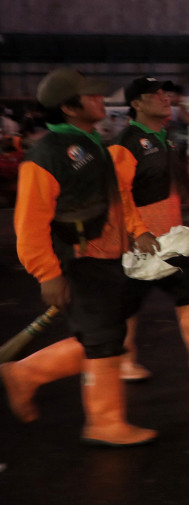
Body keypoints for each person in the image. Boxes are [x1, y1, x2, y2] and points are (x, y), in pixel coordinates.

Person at [1, 68, 157, 445]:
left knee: (103, 336)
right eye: (92, 96)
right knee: (103, 339)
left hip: (106, 257)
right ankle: (104, 422)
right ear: (69, 107)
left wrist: (137, 231)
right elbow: (29, 223)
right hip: (80, 259)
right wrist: (48, 274)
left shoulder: (90, 142)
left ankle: (24, 374)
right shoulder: (48, 154)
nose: (101, 100)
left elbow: (116, 198)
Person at [109, 77, 189, 381]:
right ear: (137, 104)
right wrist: (137, 231)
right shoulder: (126, 143)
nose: (164, 97)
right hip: (141, 241)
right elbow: (118, 192)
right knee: (129, 300)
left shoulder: (162, 136)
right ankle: (121, 362)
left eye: (164, 92)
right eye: (154, 95)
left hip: (168, 236)